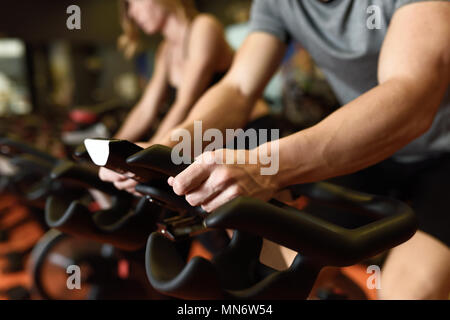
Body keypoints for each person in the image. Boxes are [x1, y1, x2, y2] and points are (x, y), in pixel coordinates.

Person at [159, 0, 449, 299]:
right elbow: (238, 89)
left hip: (443, 152)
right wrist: (171, 147)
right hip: (368, 149)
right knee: (281, 279)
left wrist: (265, 166)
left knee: (405, 294)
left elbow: (412, 94)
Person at [99, 0, 269, 193]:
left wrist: (149, 154)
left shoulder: (203, 26)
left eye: (134, 2)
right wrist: (108, 151)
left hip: (249, 132)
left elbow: (185, 102)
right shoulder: (166, 51)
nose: (132, 13)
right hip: (208, 137)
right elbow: (145, 109)